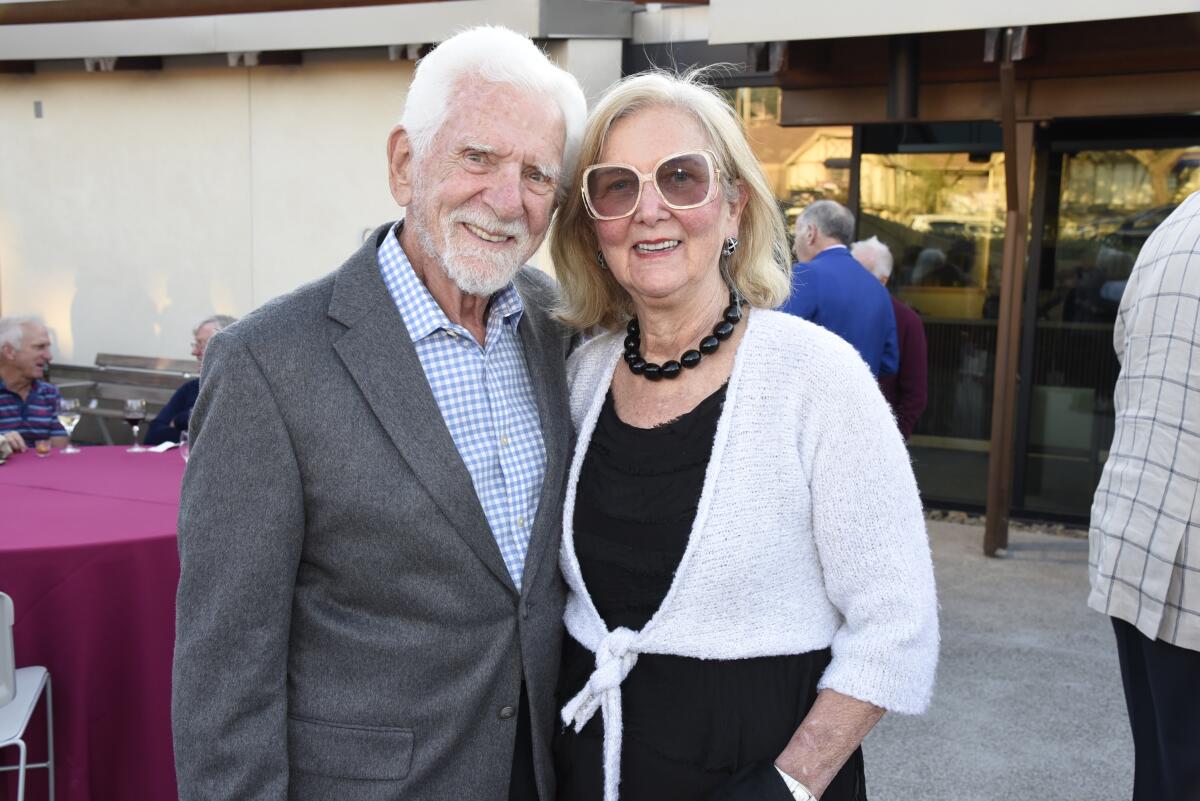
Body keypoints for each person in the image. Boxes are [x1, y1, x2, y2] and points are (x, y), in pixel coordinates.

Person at [172, 26, 585, 801]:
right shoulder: (268, 363)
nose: (508, 200)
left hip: (538, 775)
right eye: (478, 157)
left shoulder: (560, 329)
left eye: (537, 174)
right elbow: (224, 667)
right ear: (405, 164)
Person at [549, 70, 938, 801]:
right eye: (617, 187)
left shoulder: (818, 377)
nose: (649, 209)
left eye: (681, 177)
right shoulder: (583, 375)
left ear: (734, 209)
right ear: (592, 226)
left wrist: (789, 782)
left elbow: (897, 626)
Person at [1088, 190, 1200, 801]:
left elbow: (1125, 349)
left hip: (1137, 530)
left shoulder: (1173, 226)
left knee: (1162, 766)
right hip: (1189, 551)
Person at [781, 201, 899, 378]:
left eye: (796, 233)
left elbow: (777, 342)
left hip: (812, 401)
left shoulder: (805, 275)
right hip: (862, 401)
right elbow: (889, 363)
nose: (793, 246)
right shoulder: (878, 289)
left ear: (810, 233)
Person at [851, 236, 928, 440]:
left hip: (879, 436)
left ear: (883, 280)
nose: (853, 278)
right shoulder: (838, 307)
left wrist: (894, 440)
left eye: (863, 272)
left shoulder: (907, 321)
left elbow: (915, 393)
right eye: (851, 270)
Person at [145, 314, 236, 445]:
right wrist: (191, 429)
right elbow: (153, 435)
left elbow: (216, 441)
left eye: (201, 344)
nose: (194, 352)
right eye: (196, 344)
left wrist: (178, 421)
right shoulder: (190, 388)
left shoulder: (240, 391)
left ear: (227, 347)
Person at [0, 315, 67, 452]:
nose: (49, 356)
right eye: (40, 347)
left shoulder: (49, 393)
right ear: (10, 352)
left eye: (48, 347)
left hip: (41, 470)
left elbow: (59, 447)